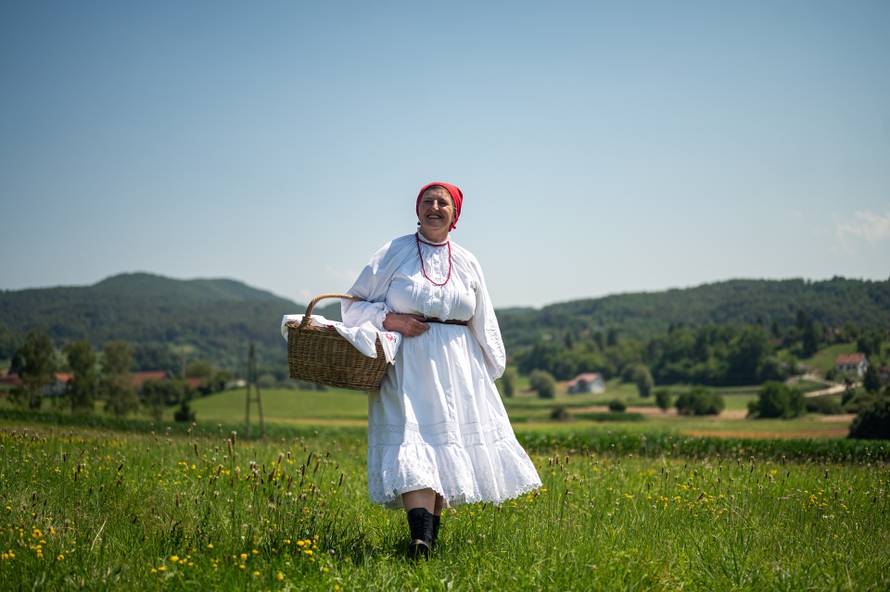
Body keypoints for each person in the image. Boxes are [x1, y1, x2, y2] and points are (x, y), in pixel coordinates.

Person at [342, 181, 542, 558]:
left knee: (444, 450)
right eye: (427, 201)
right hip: (407, 364)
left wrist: (489, 367)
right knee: (413, 444)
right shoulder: (393, 253)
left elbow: (483, 317)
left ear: (455, 215)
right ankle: (420, 539)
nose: (434, 207)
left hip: (458, 368)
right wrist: (392, 320)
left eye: (442, 203)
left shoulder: (467, 260)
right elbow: (352, 307)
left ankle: (427, 542)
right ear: (417, 210)